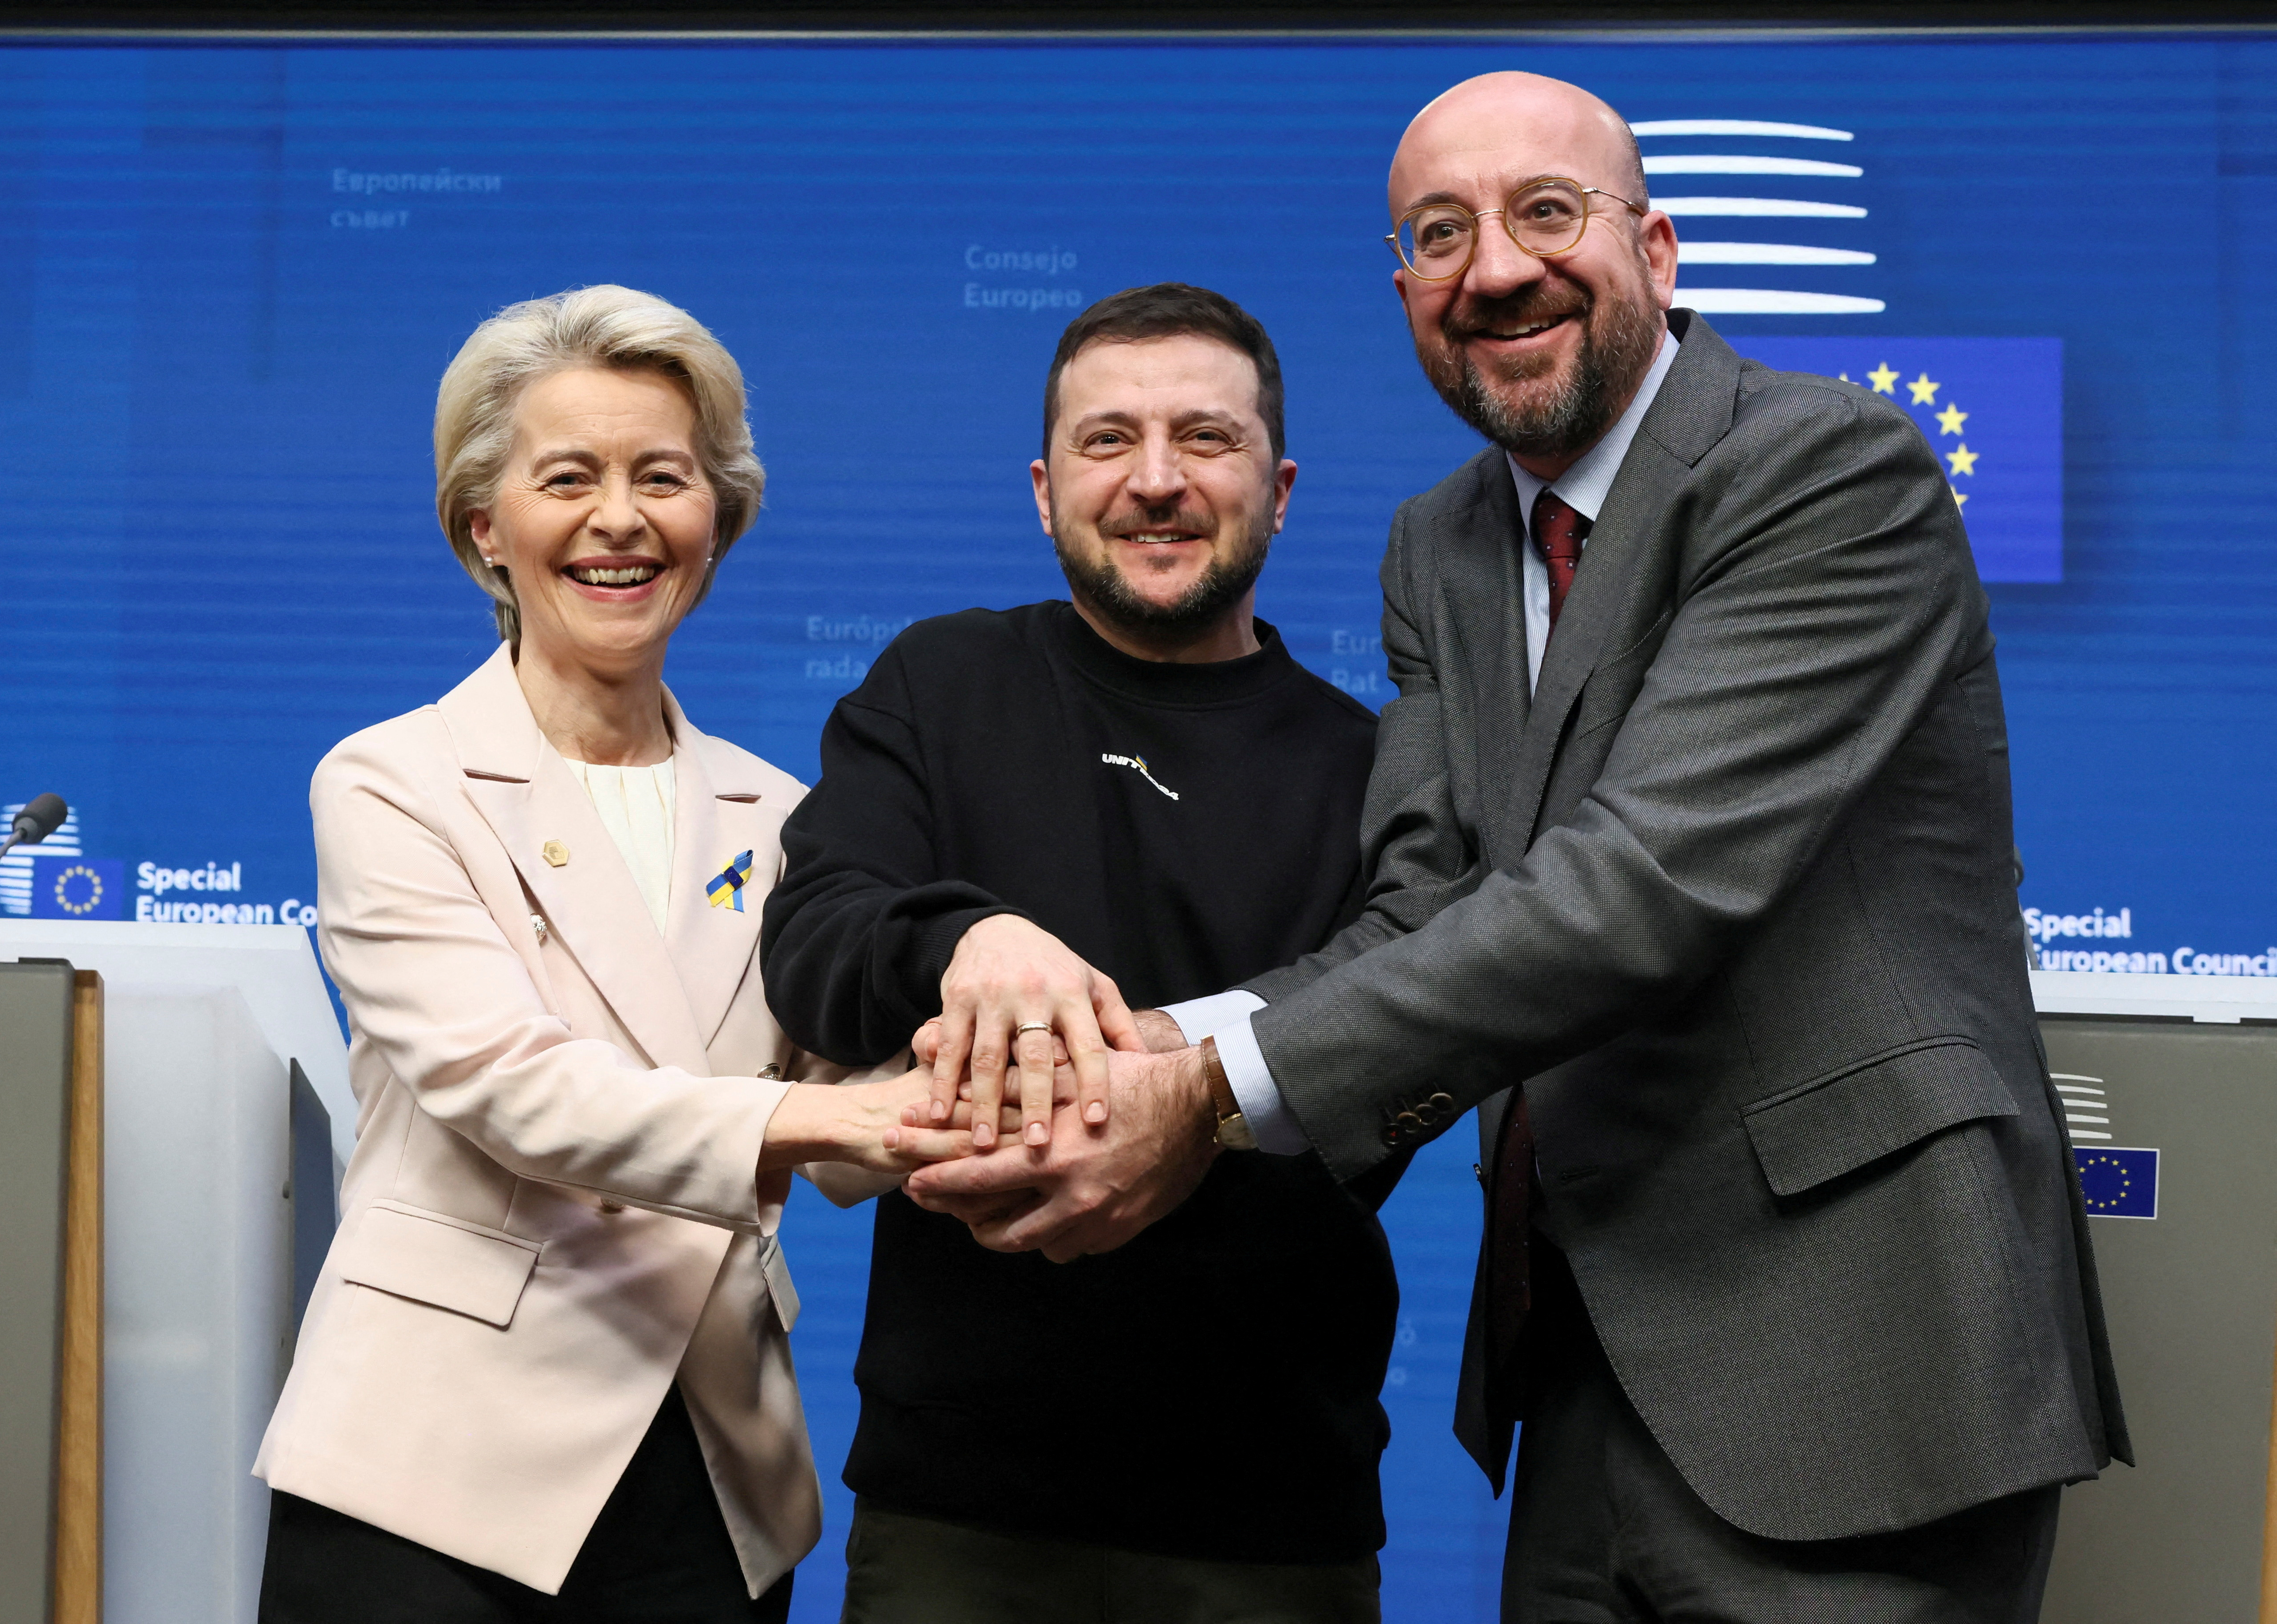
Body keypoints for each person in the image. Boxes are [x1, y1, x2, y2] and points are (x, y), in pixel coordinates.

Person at [908, 74, 2128, 1622]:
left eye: (1545, 212)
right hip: (1585, 1352)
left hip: (1856, 1349)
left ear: (1655, 249)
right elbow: (1428, 904)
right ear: (1405, 291)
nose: (1492, 269)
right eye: (1439, 234)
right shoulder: (1441, 544)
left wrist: (1204, 1098)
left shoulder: (1826, 467)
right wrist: (1146, 1051)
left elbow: (1641, 885)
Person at [253, 285, 974, 1624]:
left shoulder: (784, 816)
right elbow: (514, 1088)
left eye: (664, 477)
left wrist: (1013, 1077)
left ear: (717, 521)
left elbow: (855, 1122)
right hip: (431, 1472)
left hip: (710, 1477)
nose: (621, 519)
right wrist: (839, 1118)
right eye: (568, 477)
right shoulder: (393, 782)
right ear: (485, 525)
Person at [760, 284, 1397, 1622]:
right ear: (1047, 492)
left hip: (1271, 1515)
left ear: (1279, 491)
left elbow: (1382, 1072)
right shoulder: (939, 684)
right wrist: (969, 938)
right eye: (1109, 441)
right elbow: (814, 941)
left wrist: (1146, 1098)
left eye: (1205, 439)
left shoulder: (1372, 770)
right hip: (957, 1508)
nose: (1156, 480)